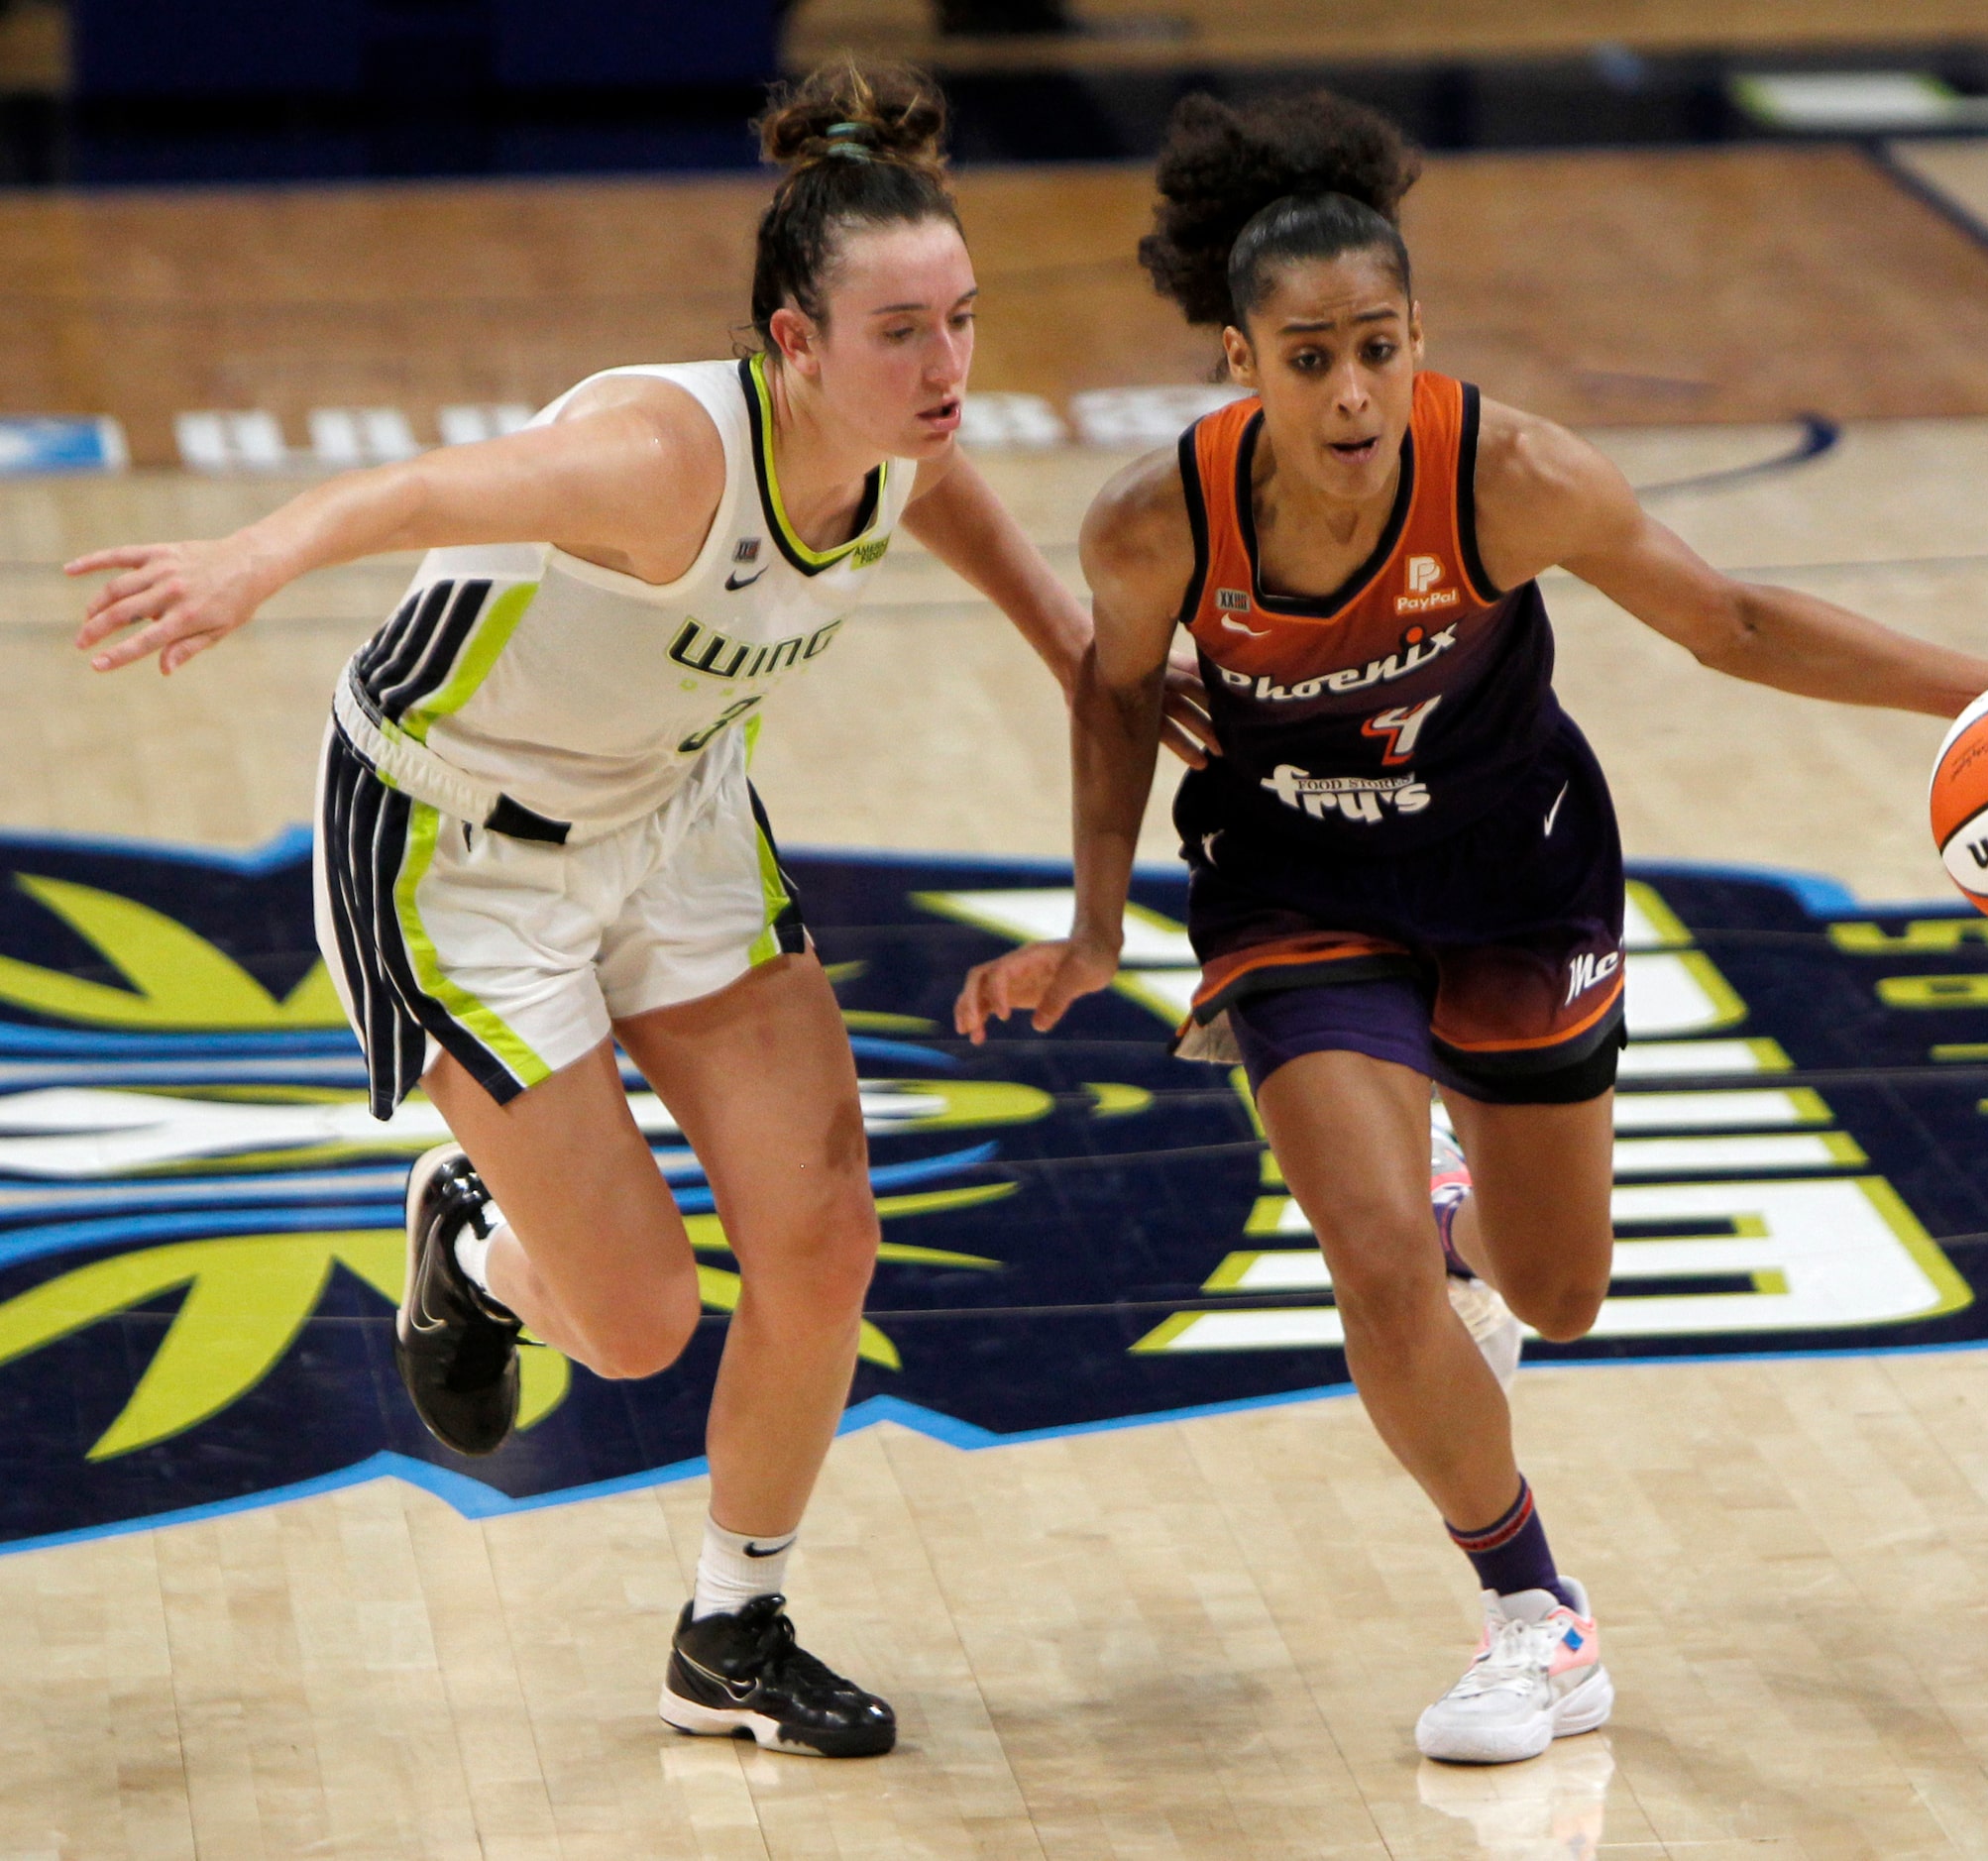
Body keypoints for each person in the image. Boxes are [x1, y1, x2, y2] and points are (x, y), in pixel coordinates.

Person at [952, 90, 1988, 1765]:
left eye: (1377, 346)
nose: (1348, 390)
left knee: (1556, 1295)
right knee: (1369, 1253)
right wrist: (1097, 927)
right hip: (1294, 886)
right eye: (1307, 353)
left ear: (1421, 339)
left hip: (1514, 878)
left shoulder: (1511, 473)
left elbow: (1736, 621)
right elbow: (1116, 703)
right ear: (1234, 365)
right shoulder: (1151, 520)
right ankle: (1534, 1618)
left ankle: (1473, 1209)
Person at [66, 61, 1206, 1762]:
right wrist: (250, 560)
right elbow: (420, 490)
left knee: (823, 1246)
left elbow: (962, 521)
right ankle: (470, 1240)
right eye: (902, 332)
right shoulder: (658, 453)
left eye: (961, 320)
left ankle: (732, 1626)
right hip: (452, 851)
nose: (949, 368)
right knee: (635, 1323)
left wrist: (1086, 659)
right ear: (790, 343)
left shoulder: (901, 443)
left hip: (670, 821)